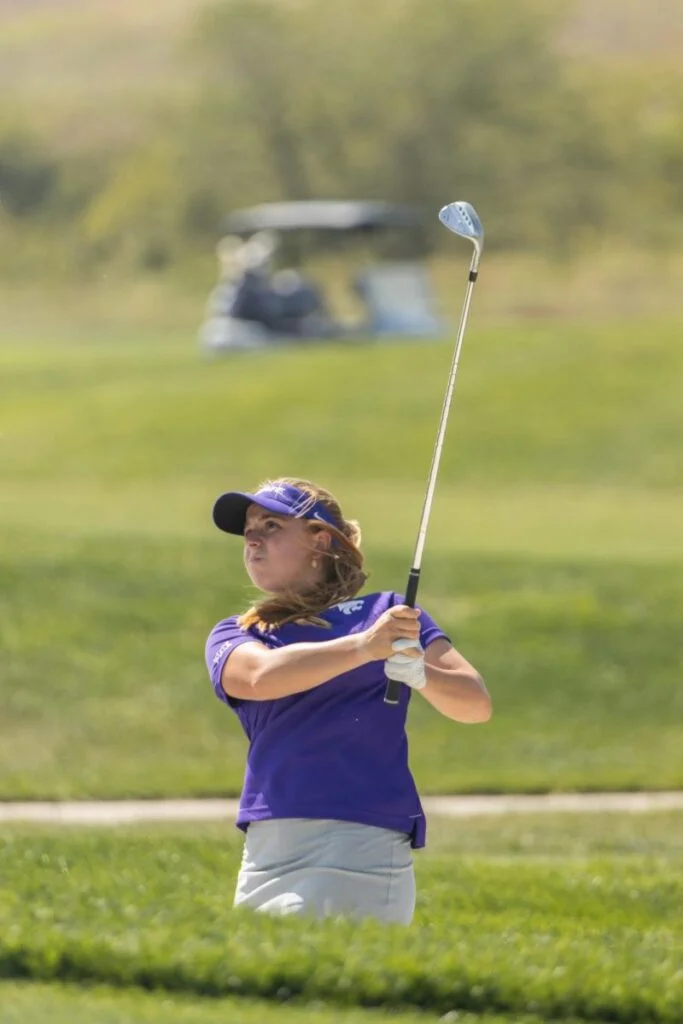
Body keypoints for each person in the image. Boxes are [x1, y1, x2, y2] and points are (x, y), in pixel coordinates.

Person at [204, 478, 491, 926]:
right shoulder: (239, 632)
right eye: (249, 530)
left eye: (272, 525)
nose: (253, 538)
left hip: (359, 836)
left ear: (320, 541)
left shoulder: (388, 614)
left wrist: (417, 671)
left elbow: (474, 703)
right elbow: (259, 677)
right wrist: (364, 649)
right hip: (267, 844)